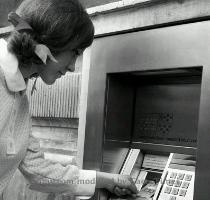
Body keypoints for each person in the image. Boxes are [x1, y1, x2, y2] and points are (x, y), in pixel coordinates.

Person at [0, 0, 138, 198]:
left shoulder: (19, 96)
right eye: (75, 53)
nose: (73, 66)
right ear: (52, 42)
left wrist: (109, 180)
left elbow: (39, 172)